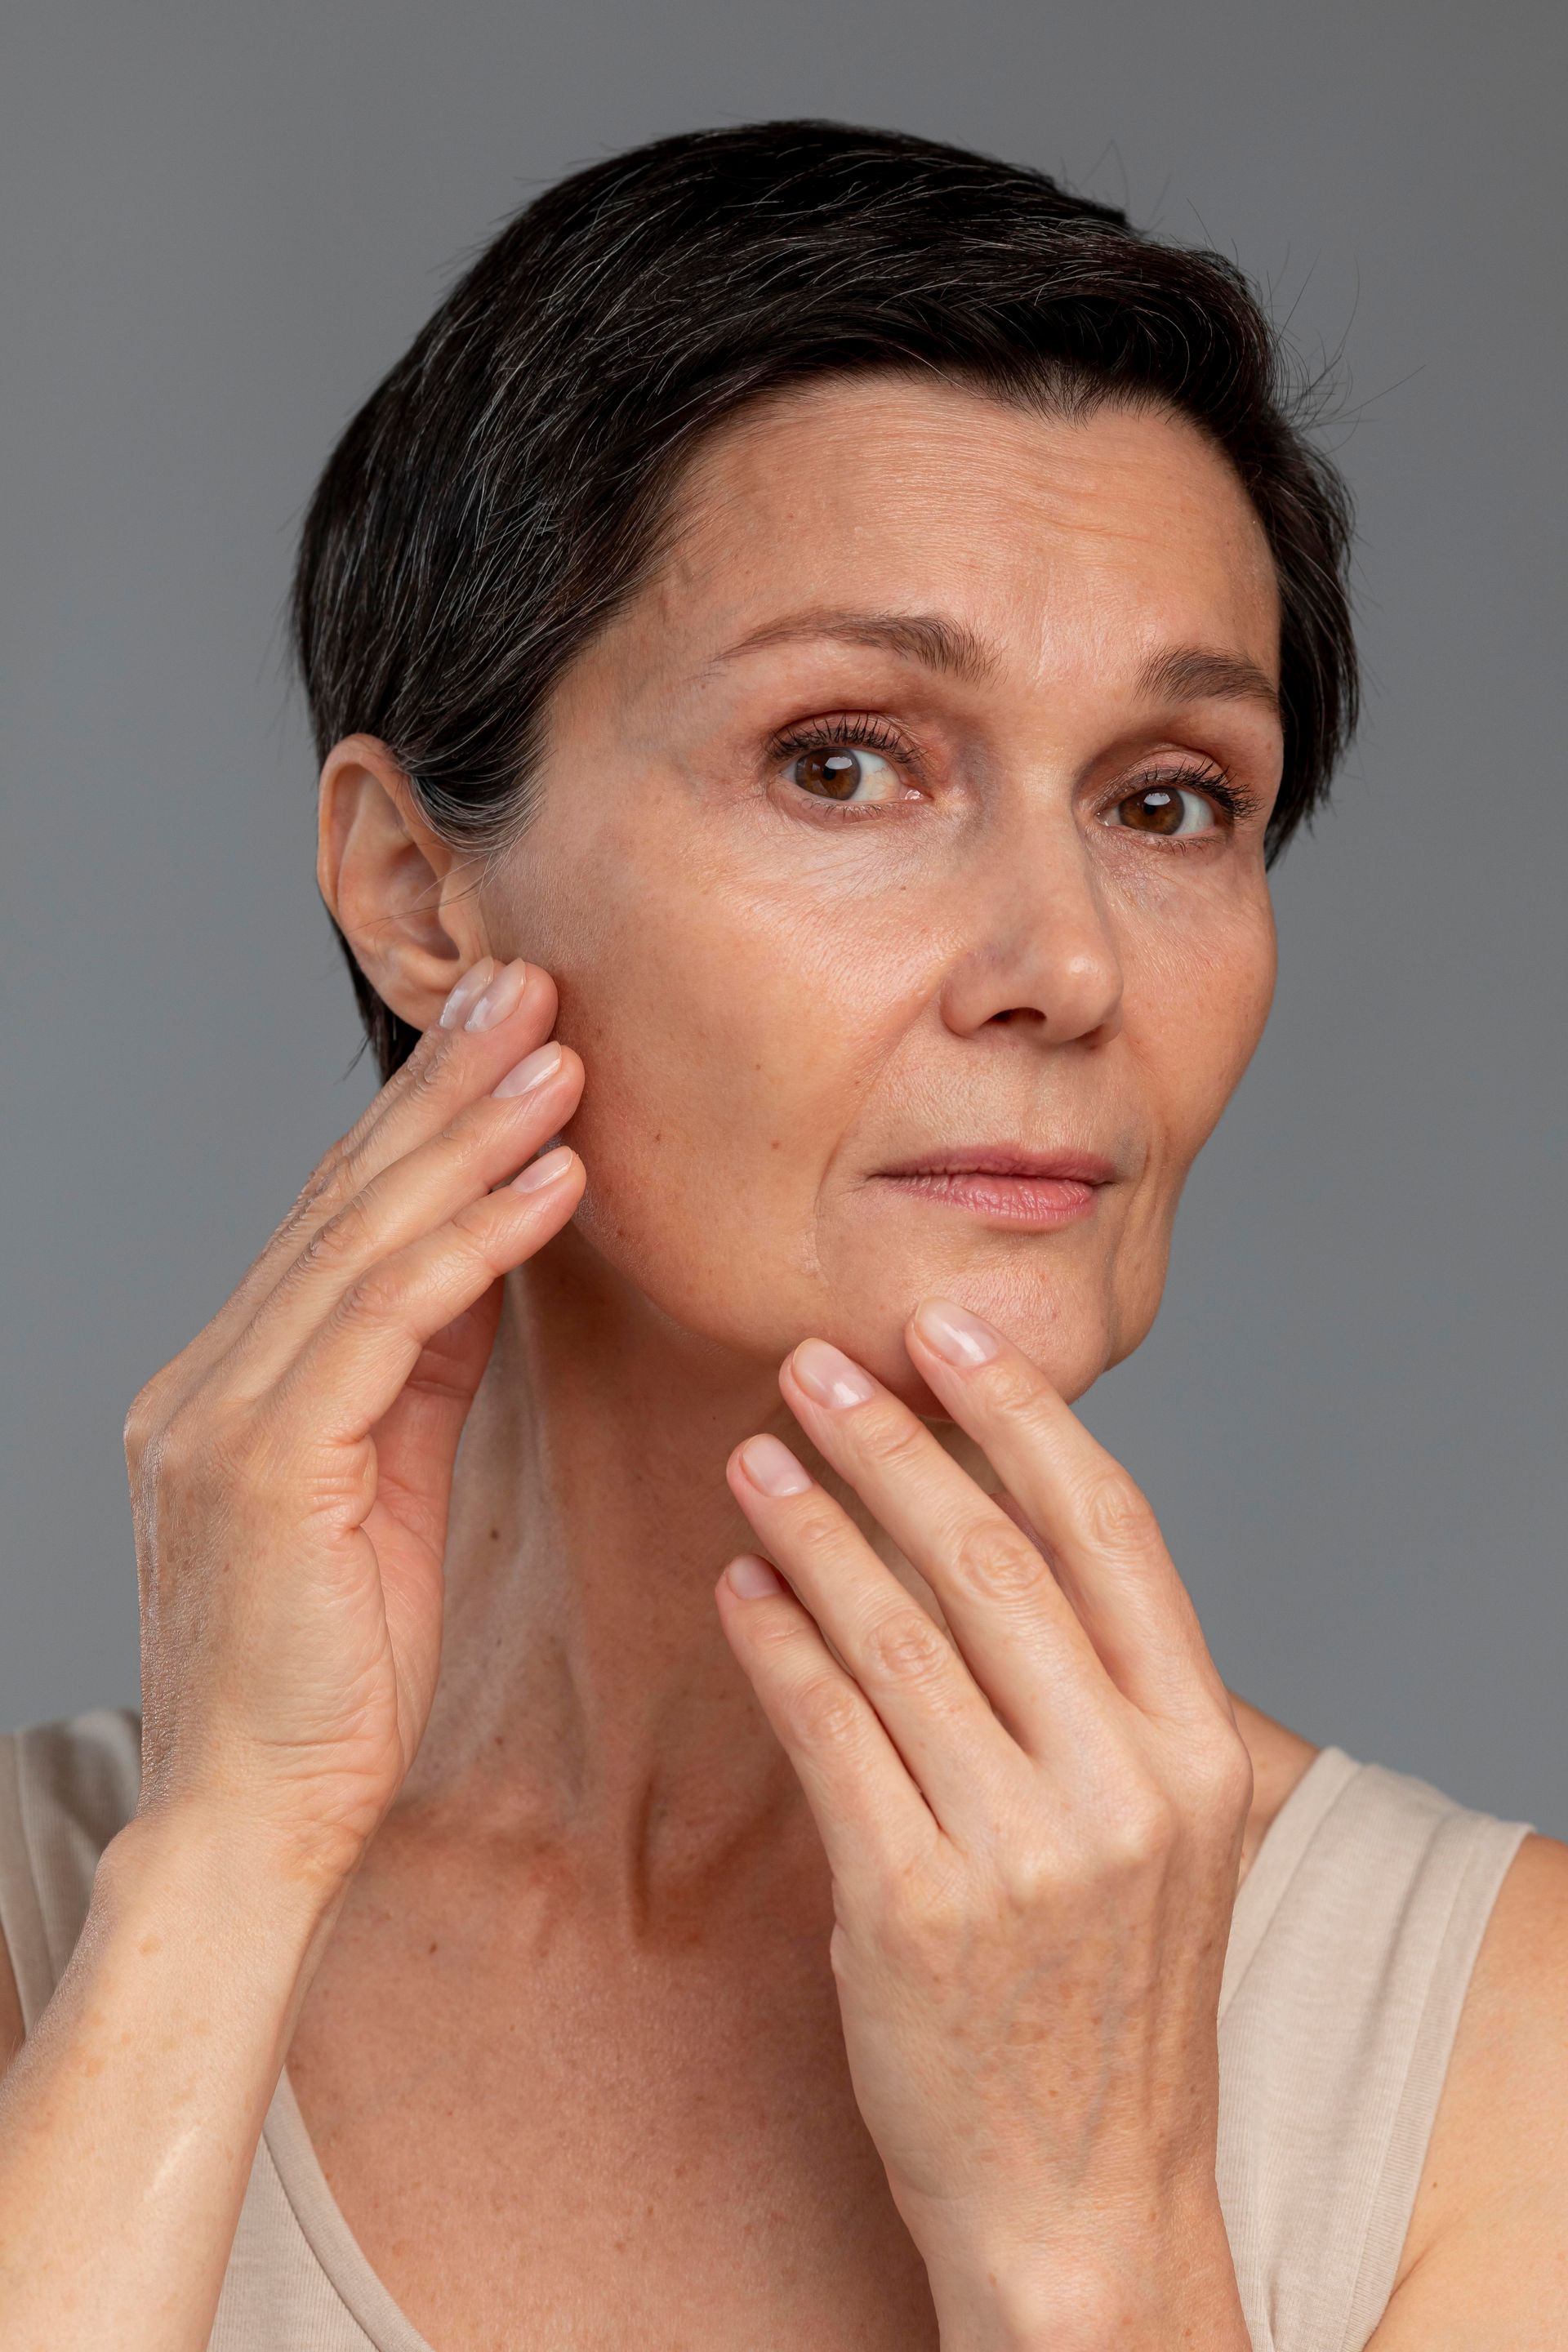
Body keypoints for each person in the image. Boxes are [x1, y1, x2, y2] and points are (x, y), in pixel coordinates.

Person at [0, 119, 1561, 2352]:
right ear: (419, 894)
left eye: (1170, 798)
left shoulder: (1507, 2050)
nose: (1068, 960)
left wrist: (1101, 2256)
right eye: (847, 761)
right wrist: (222, 1868)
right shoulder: (49, 1928)